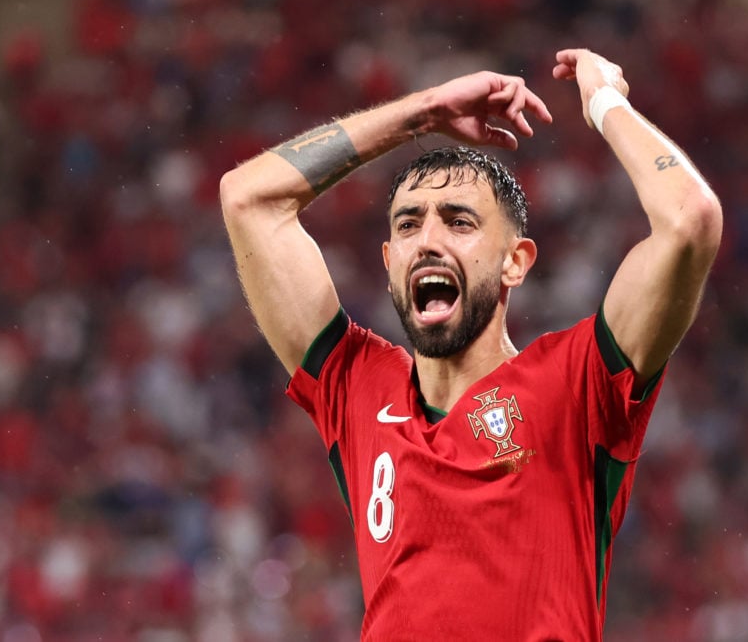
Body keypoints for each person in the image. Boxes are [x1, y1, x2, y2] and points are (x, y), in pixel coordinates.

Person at [219, 48, 722, 640]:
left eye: (459, 221)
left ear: (516, 261)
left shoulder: (576, 381)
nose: (428, 240)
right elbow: (247, 198)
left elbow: (690, 219)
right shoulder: (358, 387)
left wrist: (604, 102)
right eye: (408, 225)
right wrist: (421, 112)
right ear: (388, 262)